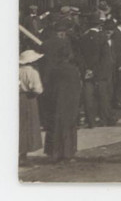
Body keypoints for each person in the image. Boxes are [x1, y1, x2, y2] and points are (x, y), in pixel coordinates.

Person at [40, 24, 81, 163]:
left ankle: (53, 152)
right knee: (67, 125)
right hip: (69, 102)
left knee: (54, 123)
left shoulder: (53, 69)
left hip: (53, 96)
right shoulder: (73, 70)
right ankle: (67, 153)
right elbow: (77, 89)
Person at [78, 13, 117, 128]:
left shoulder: (83, 37)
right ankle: (103, 119)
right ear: (99, 25)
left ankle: (91, 121)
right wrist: (95, 70)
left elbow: (80, 56)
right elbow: (104, 58)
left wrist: (87, 69)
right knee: (103, 96)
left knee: (88, 97)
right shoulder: (102, 37)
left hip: (87, 72)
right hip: (100, 72)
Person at [19, 49, 44, 165]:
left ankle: (19, 152)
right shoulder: (32, 72)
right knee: (29, 125)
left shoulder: (17, 71)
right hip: (29, 99)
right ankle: (24, 155)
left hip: (18, 98)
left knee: (20, 126)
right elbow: (38, 89)